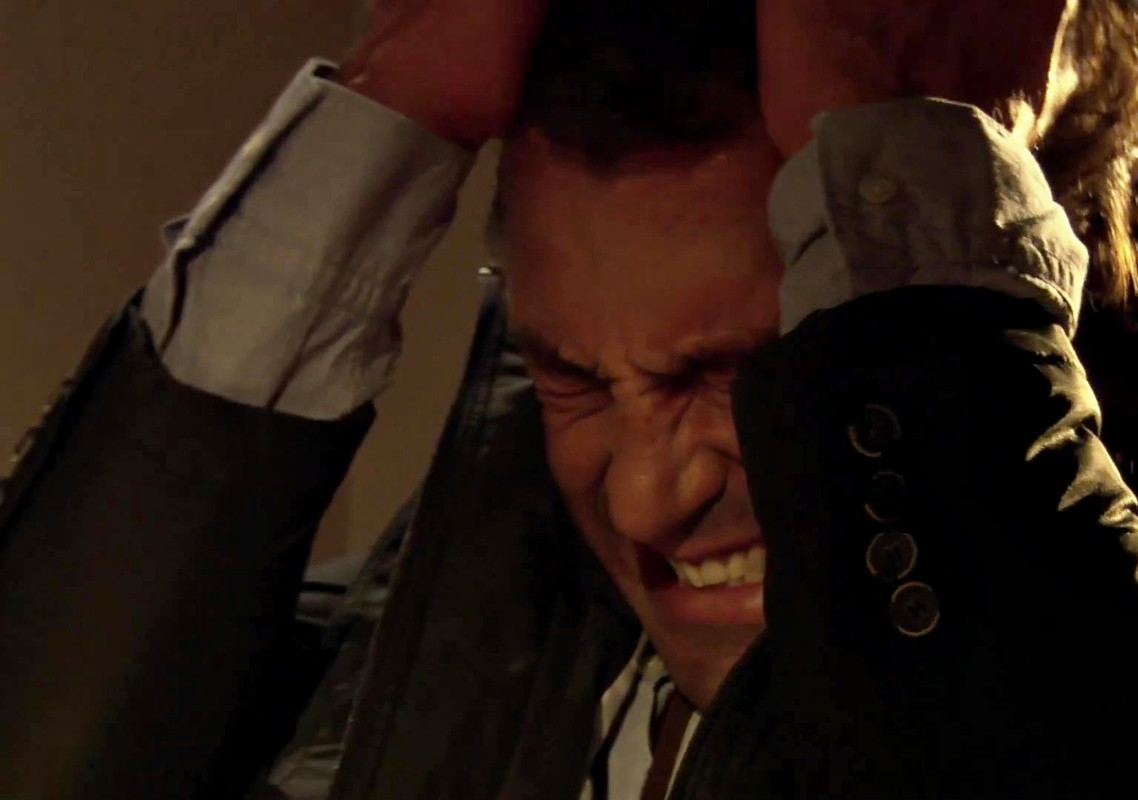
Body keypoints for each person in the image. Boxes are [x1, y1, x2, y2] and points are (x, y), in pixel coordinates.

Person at [1, 0, 1137, 798]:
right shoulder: (416, 637)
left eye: (733, 372)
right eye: (573, 378)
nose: (643, 500)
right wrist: (402, 90)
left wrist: (899, 159)